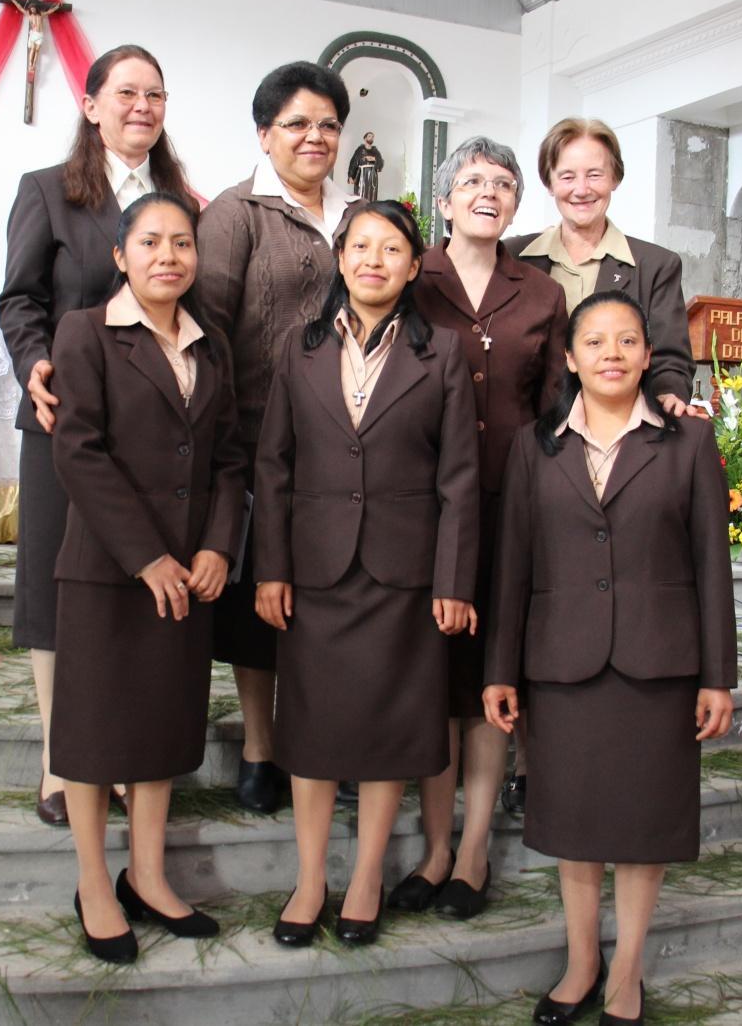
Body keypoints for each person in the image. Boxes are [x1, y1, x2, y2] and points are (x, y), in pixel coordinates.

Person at [483, 290, 736, 1025]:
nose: (612, 355)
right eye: (595, 342)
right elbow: (514, 568)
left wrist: (719, 675)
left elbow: (711, 564)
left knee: (642, 821)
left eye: (627, 341)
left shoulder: (688, 444)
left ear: (648, 354)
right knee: (576, 823)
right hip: (561, 663)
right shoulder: (536, 447)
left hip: (660, 663)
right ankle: (582, 960)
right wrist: (500, 669)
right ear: (570, 357)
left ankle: (627, 972)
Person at [253, 201, 479, 948]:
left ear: (415, 266)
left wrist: (452, 581)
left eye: (391, 248)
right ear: (340, 258)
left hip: (404, 574)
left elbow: (459, 479)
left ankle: (367, 875)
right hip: (314, 569)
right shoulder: (300, 347)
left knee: (388, 730)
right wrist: (272, 567)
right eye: (359, 246)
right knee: (311, 730)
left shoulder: (442, 353)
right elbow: (273, 464)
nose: (373, 259)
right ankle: (311, 877)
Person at [0, 45, 196, 828]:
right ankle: (59, 757)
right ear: (90, 105)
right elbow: (17, 300)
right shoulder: (47, 192)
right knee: (57, 585)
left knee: (125, 587)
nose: (142, 106)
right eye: (126, 93)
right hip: (63, 417)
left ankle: (121, 746)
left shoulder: (181, 201)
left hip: (151, 429)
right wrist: (36, 364)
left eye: (156, 93)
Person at [48, 192, 246, 964]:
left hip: (190, 571)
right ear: (120, 255)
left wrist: (220, 546)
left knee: (164, 729)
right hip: (110, 570)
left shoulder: (212, 345)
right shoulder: (87, 334)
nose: (169, 255)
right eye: (151, 242)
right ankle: (96, 884)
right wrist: (144, 556)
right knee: (97, 738)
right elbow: (80, 452)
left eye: (183, 243)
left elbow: (229, 458)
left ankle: (151, 875)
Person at [501, 116, 698, 817]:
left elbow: (670, 352)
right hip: (539, 449)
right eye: (566, 173)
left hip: (619, 450)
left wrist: (671, 395)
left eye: (594, 172)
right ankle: (530, 756)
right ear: (548, 182)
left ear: (614, 178)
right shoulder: (518, 255)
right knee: (539, 600)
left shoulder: (652, 264)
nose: (580, 187)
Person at [392, 136, 566, 922]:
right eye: (472, 181)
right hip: (421, 507)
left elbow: (559, 408)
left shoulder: (542, 292)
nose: (487, 192)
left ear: (516, 204)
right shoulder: (410, 276)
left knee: (493, 678)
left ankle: (473, 851)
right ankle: (433, 845)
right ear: (446, 199)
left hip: (512, 507)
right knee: (437, 679)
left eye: (502, 183)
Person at [197, 61, 365, 814]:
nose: (314, 137)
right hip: (262, 441)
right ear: (264, 134)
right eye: (296, 124)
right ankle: (262, 748)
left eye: (327, 124)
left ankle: (332, 738)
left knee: (336, 596)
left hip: (355, 444)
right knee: (261, 604)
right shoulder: (236, 214)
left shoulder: (365, 215)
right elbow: (207, 331)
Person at [347, 131, 384, 201]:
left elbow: (381, 162)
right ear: (365, 138)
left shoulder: (375, 151)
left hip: (373, 176)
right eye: (369, 136)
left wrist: (374, 158)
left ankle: (370, 209)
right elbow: (353, 162)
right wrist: (350, 176)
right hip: (362, 175)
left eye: (372, 137)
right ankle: (360, 209)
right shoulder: (360, 150)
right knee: (361, 193)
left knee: (371, 194)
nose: (371, 138)